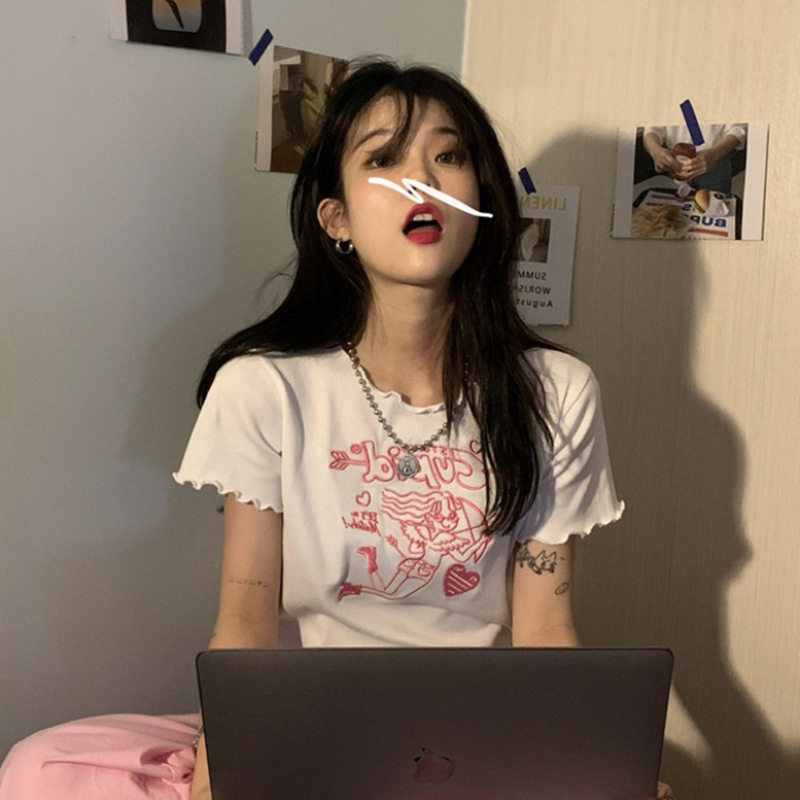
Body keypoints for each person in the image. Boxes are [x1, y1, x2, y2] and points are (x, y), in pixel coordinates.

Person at [0, 60, 674, 800]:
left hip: (474, 739)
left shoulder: (555, 391)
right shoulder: (264, 386)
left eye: (448, 157)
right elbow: (245, 623)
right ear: (337, 220)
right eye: (384, 160)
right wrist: (217, 784)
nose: (421, 184)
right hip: (308, 727)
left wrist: (589, 769)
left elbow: (546, 631)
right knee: (41, 767)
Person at [642, 124, 747, 194]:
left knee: (714, 211)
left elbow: (738, 128)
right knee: (672, 213)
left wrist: (714, 154)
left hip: (714, 163)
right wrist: (654, 149)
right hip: (673, 164)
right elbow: (652, 126)